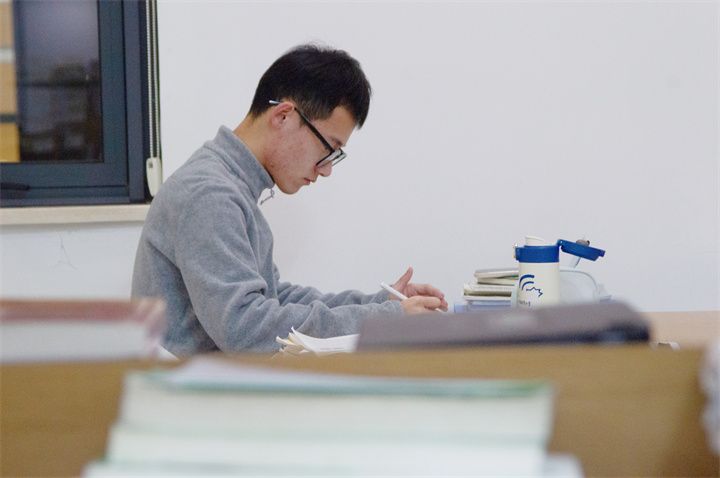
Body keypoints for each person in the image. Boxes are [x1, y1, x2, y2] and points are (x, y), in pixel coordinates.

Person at [132, 44, 447, 355]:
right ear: (283, 116)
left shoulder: (231, 186)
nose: (326, 170)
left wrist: (380, 304)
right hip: (194, 387)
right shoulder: (209, 193)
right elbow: (246, 329)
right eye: (329, 148)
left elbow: (273, 299)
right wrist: (385, 319)